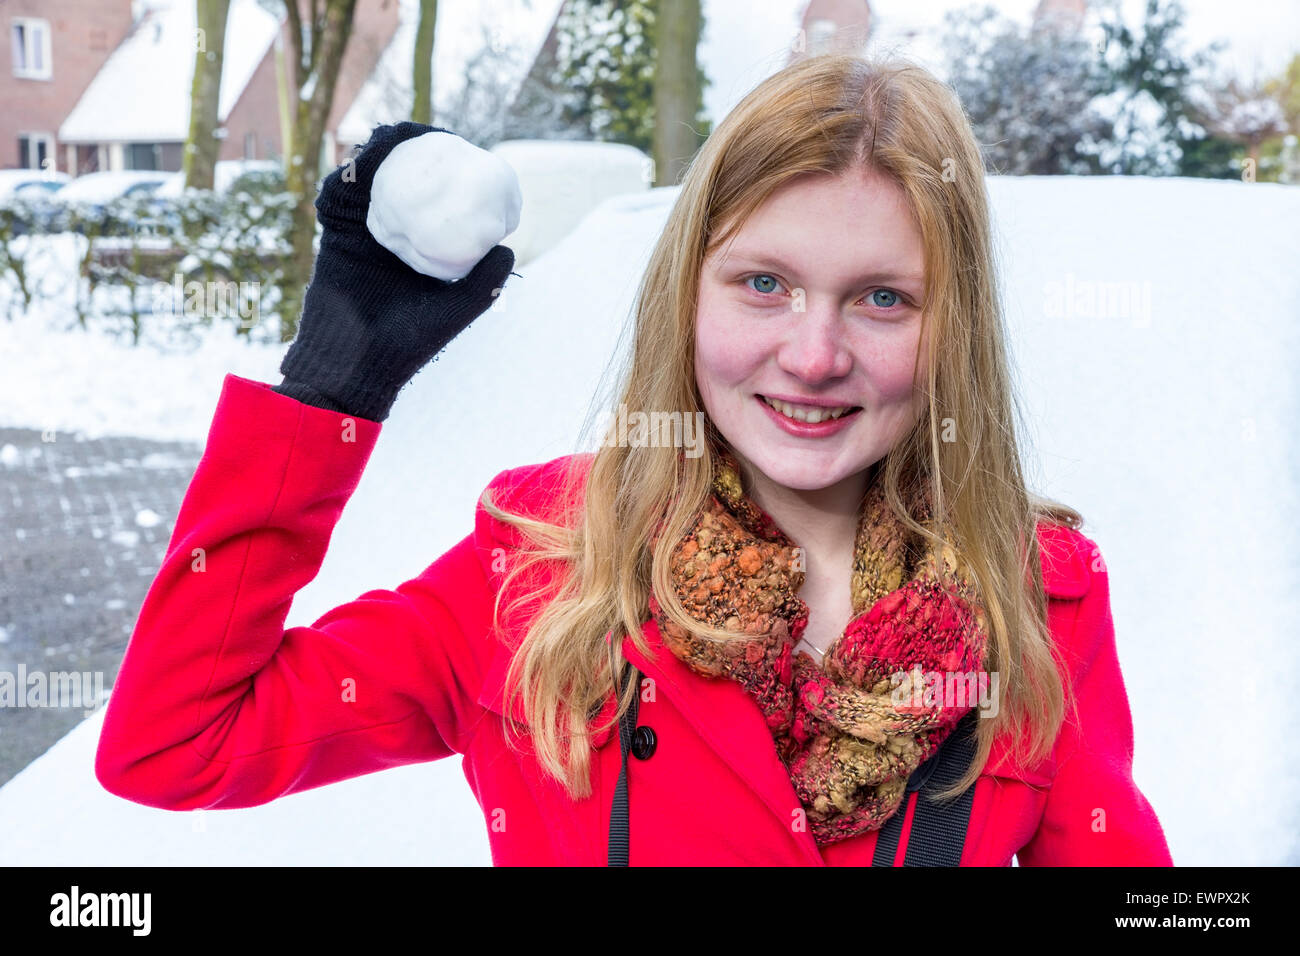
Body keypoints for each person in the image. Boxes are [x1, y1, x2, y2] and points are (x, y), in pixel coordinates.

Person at [95, 54, 1173, 866]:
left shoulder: (1034, 600)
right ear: (686, 294)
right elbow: (175, 741)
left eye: (882, 298)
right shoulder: (535, 570)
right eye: (763, 283)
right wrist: (330, 390)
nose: (811, 354)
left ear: (955, 331)